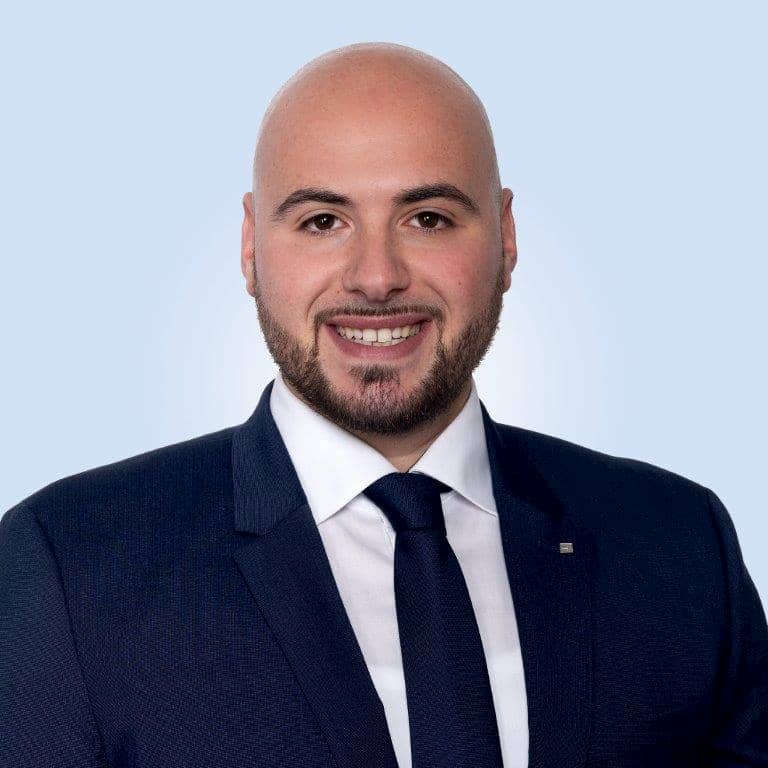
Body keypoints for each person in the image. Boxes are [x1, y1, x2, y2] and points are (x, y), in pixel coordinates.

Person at [1, 41, 766, 768]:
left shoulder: (679, 545)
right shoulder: (68, 568)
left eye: (428, 218)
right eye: (322, 221)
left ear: (504, 237)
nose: (376, 277)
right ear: (251, 248)